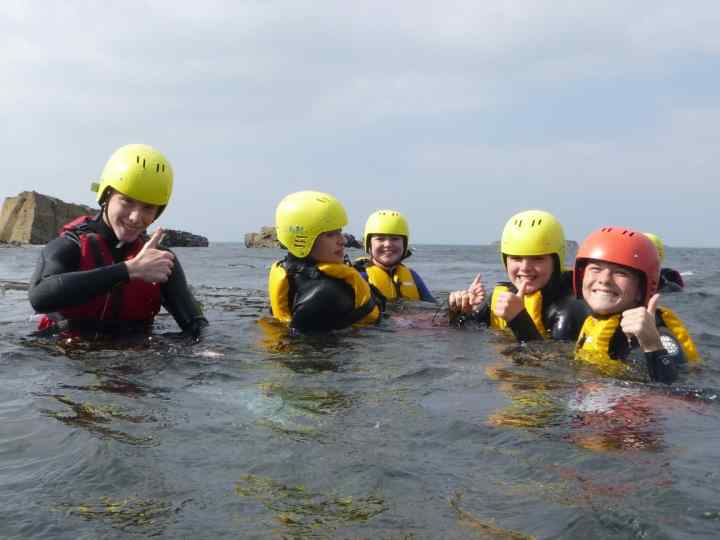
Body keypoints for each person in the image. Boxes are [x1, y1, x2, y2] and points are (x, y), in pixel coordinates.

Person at [28, 144, 207, 338]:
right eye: (127, 201)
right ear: (106, 196)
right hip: (68, 357)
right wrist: (130, 270)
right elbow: (39, 297)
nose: (135, 217)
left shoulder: (160, 261)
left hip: (135, 360)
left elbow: (196, 326)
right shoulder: (71, 245)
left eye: (148, 207)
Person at [573, 226, 699, 384]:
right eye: (595, 269)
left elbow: (680, 393)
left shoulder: (659, 336)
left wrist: (652, 345)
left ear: (642, 289)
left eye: (620, 273)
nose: (604, 279)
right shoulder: (595, 322)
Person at [449, 209, 587, 341]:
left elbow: (552, 363)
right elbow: (464, 334)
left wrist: (518, 319)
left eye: (537, 258)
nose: (525, 268)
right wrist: (460, 312)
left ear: (556, 262)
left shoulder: (570, 310)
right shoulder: (499, 299)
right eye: (516, 258)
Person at [268, 190, 383, 332]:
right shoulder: (324, 294)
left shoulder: (294, 275)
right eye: (330, 234)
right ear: (302, 240)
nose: (342, 241)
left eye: (339, 232)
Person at [354, 209, 435, 303]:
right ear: (368, 244)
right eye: (380, 239)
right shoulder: (358, 277)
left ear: (405, 244)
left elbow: (434, 308)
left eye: (395, 239)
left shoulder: (413, 276)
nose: (388, 244)